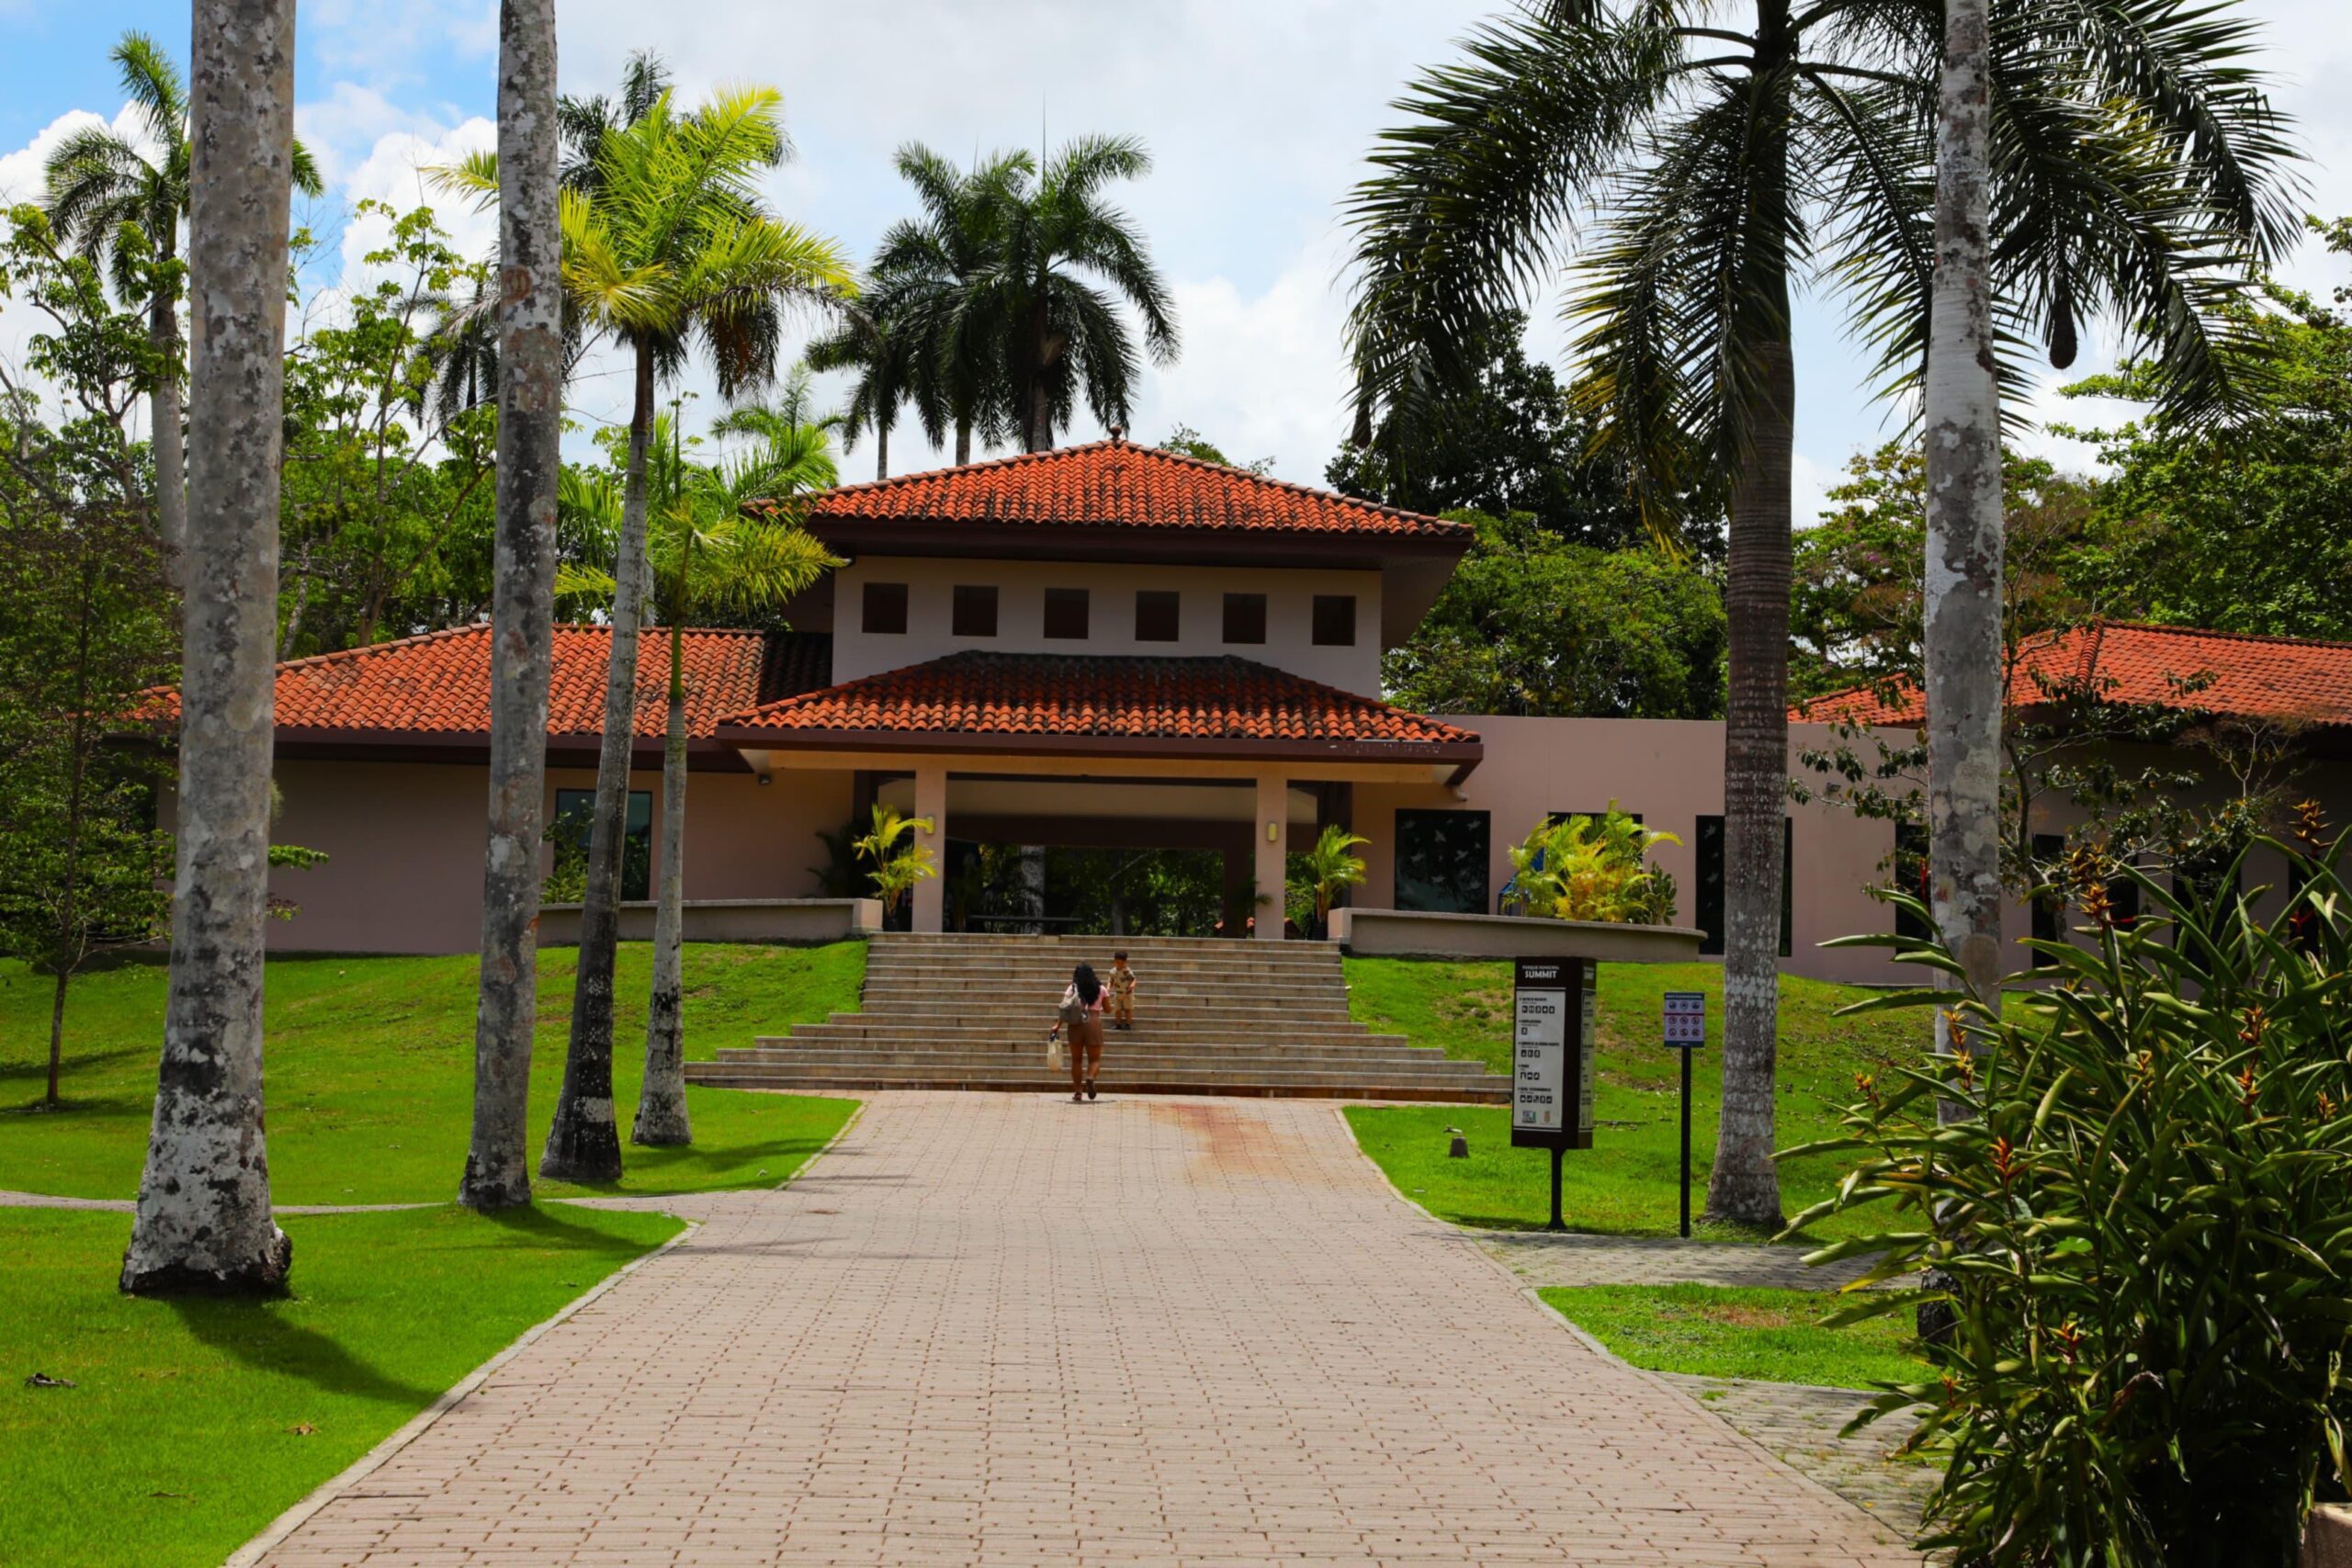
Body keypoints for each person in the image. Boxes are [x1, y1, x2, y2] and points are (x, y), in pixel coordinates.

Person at [1059, 963, 1106, 1102]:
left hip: (1076, 1023)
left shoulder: (1072, 988)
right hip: (1093, 1022)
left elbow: (1065, 1008)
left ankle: (1078, 1092)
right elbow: (1108, 1009)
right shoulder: (1101, 989)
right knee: (1095, 1059)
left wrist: (1057, 1025)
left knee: (1076, 1060)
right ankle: (1090, 1078)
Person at [1107, 951, 1136, 1031]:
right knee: (1117, 1010)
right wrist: (1108, 987)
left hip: (1127, 993)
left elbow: (1133, 979)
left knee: (1128, 1009)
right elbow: (1110, 981)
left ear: (1125, 962)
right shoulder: (1113, 972)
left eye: (1122, 963)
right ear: (1115, 961)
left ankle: (1128, 1024)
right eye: (1118, 962)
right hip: (1118, 993)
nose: (1120, 965)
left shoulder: (1127, 971)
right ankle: (1118, 1024)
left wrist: (1132, 985)